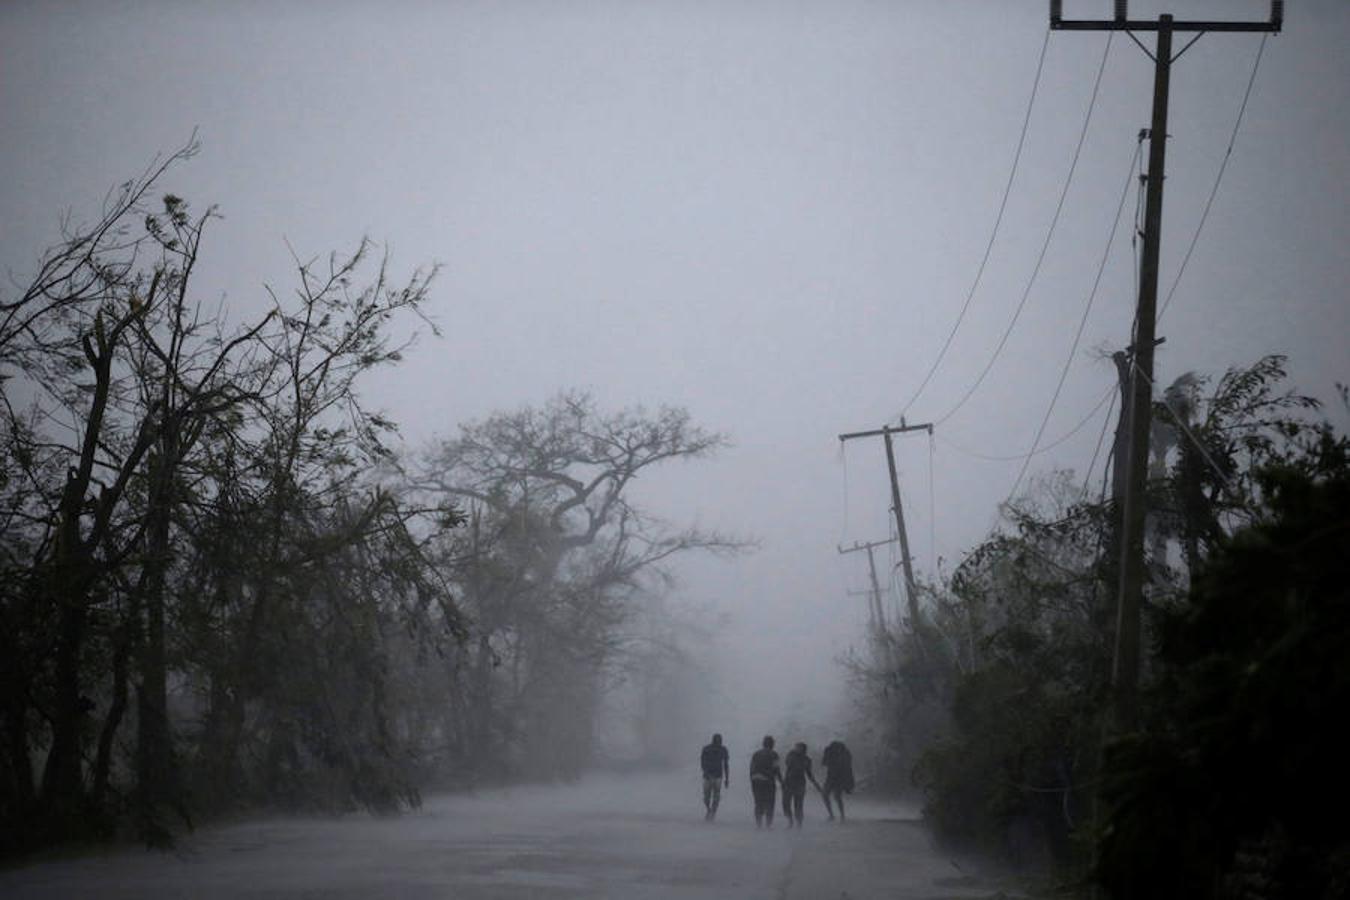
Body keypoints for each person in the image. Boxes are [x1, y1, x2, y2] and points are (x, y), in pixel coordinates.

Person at [780, 742, 822, 828]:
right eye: (796, 747)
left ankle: (798, 824)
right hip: (790, 783)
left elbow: (809, 774)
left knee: (798, 805)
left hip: (797, 784)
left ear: (803, 749)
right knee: (786, 804)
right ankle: (791, 821)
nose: (796, 749)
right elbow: (787, 763)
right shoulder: (792, 756)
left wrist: (817, 785)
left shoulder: (805, 760)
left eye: (797, 747)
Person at [748, 735, 783, 828]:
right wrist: (781, 782)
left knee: (758, 802)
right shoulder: (774, 754)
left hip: (756, 780)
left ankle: (759, 824)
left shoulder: (756, 754)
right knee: (770, 802)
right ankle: (768, 825)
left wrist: (752, 780)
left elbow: (751, 769)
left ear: (763, 744)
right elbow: (776, 769)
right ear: (772, 744)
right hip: (768, 781)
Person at [820, 739, 855, 822]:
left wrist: (849, 782)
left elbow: (848, 768)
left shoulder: (845, 754)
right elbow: (824, 762)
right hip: (832, 777)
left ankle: (838, 816)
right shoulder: (831, 752)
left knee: (835, 796)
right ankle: (836, 815)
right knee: (829, 795)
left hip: (839, 778)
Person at [700, 733, 730, 821]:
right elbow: (702, 762)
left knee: (716, 796)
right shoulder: (707, 749)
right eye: (718, 741)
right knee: (706, 797)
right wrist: (706, 772)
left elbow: (726, 764)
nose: (719, 743)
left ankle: (712, 811)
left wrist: (727, 778)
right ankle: (709, 810)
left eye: (719, 741)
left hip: (718, 776)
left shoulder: (723, 750)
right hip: (707, 776)